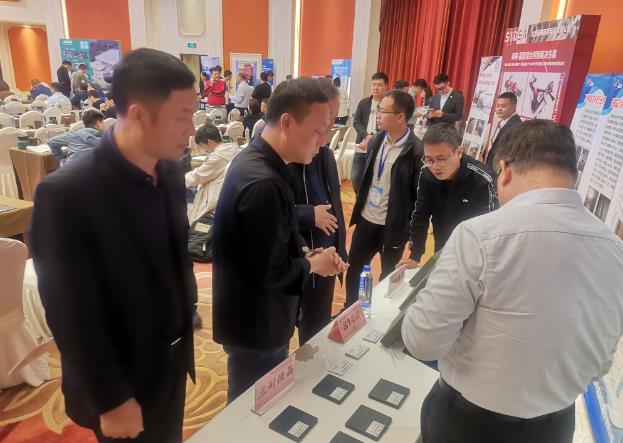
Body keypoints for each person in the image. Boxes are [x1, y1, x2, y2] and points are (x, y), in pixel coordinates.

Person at [401, 119, 623, 443]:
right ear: (572, 175)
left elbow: (423, 342)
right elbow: (601, 362)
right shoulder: (615, 250)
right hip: (556, 428)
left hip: (468, 425)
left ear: (504, 171)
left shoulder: (479, 236)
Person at [31, 48, 198, 443]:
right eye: (183, 116)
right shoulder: (67, 193)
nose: (192, 130)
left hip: (171, 358)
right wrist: (111, 399)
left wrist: (185, 310)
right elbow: (69, 311)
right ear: (138, 115)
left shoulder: (170, 171)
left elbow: (175, 256)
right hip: (120, 380)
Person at [213, 78, 347, 403]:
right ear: (287, 122)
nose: (323, 142)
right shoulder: (264, 182)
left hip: (252, 315)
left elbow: (264, 247)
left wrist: (305, 255)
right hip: (257, 323)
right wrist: (313, 265)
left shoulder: (262, 163)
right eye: (318, 131)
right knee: (252, 407)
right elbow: (271, 273)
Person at [345, 90, 423, 307]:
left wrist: (411, 235)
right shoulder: (377, 139)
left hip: (393, 226)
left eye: (382, 111)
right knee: (355, 269)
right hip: (366, 219)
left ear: (400, 117)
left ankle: (374, 312)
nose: (377, 115)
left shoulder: (416, 151)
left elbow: (418, 198)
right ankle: (353, 309)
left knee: (388, 275)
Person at [289, 80, 348, 344]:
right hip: (298, 257)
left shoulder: (324, 153)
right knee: (284, 331)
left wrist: (341, 248)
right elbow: (268, 214)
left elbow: (336, 204)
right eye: (325, 119)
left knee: (316, 329)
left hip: (326, 254)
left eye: (333, 118)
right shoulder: (282, 157)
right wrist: (309, 214)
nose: (329, 127)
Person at [397, 123, 497, 270]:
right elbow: (421, 215)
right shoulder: (427, 174)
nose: (435, 166)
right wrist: (415, 255)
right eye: (429, 159)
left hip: (474, 256)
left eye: (441, 159)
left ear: (459, 152)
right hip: (442, 247)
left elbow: (488, 229)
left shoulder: (482, 180)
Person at [186, 123, 241, 224]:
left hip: (215, 196)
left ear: (210, 142)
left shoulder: (218, 157)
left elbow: (198, 176)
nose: (204, 150)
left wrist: (177, 180)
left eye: (203, 146)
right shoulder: (235, 149)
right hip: (225, 191)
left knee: (180, 189)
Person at [352, 72, 389, 194]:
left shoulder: (388, 105)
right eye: (373, 84)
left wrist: (374, 137)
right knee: (356, 178)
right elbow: (356, 122)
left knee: (374, 179)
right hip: (361, 145)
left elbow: (388, 124)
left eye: (379, 85)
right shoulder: (364, 103)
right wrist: (366, 135)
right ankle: (359, 201)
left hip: (379, 146)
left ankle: (368, 202)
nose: (375, 88)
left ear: (386, 86)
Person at [485, 92, 521, 170]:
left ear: (514, 107)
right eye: (498, 106)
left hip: (499, 169)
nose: (499, 109)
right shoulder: (503, 121)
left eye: (503, 106)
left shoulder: (515, 126)